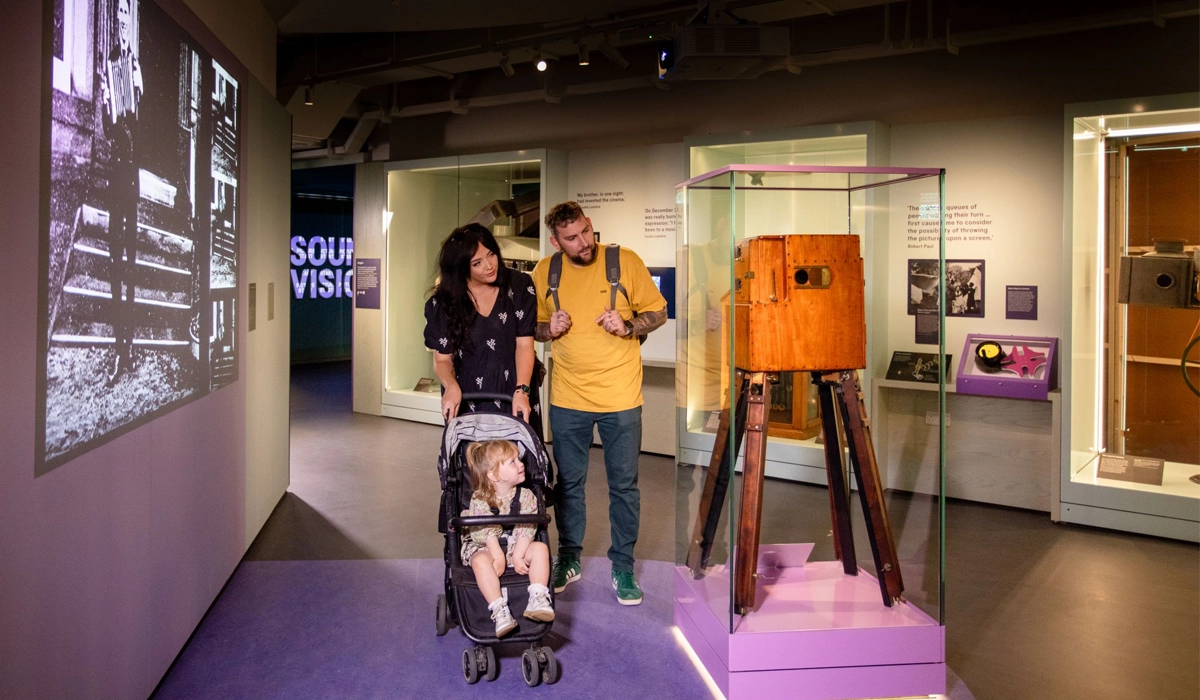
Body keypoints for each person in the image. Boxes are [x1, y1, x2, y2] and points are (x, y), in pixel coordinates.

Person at [532, 201, 667, 606]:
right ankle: (568, 557)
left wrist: (627, 325)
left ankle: (622, 565)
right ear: (557, 241)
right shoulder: (545, 271)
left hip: (621, 397)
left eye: (586, 232)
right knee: (569, 484)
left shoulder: (623, 261)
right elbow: (534, 327)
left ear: (591, 225)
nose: (583, 242)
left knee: (624, 486)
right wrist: (548, 328)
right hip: (568, 397)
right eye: (571, 239)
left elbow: (658, 311)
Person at [423, 224, 541, 433]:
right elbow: (442, 360)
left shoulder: (519, 285)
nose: (489, 265)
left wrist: (522, 390)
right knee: (475, 462)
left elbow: (524, 345)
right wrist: (451, 386)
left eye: (491, 254)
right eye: (477, 263)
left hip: (514, 390)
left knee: (519, 460)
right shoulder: (443, 303)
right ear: (461, 268)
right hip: (467, 396)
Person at [460, 440, 554, 637]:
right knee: (480, 561)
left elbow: (526, 527)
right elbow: (484, 532)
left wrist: (518, 555)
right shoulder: (479, 499)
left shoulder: (527, 496)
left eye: (518, 459)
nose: (521, 465)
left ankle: (538, 597)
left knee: (540, 549)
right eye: (512, 462)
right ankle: (499, 609)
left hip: (516, 543)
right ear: (493, 475)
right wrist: (497, 555)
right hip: (484, 545)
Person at [100, 0, 144, 385]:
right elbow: (109, 125)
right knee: (116, 259)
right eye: (117, 21)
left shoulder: (134, 67)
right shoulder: (110, 64)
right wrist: (106, 104)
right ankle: (120, 350)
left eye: (125, 20)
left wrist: (138, 95)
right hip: (116, 173)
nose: (120, 26)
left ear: (132, 25)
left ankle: (128, 345)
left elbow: (141, 129)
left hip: (132, 177)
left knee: (130, 257)